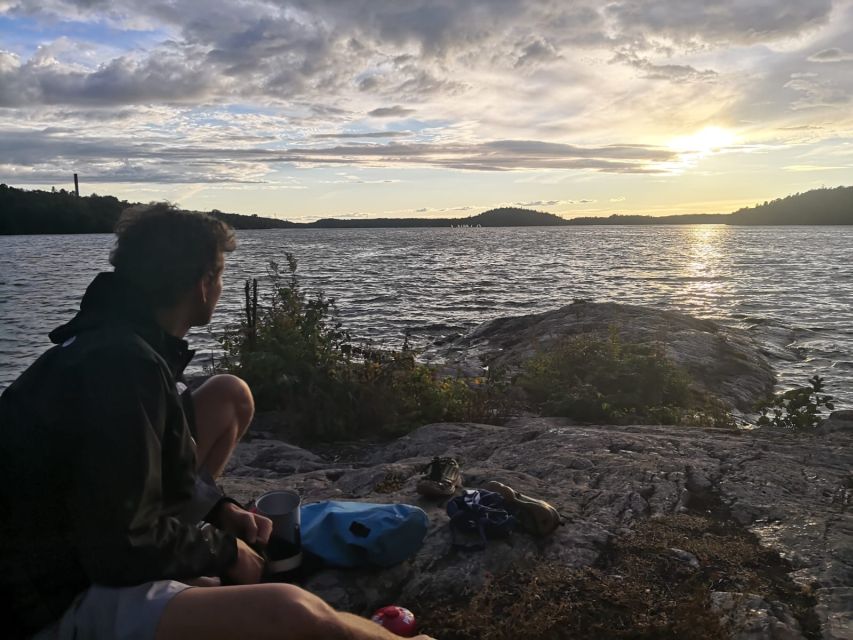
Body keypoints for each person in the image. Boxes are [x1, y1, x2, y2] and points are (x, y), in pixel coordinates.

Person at [0, 204, 435, 640]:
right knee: (291, 612)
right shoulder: (120, 367)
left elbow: (146, 463)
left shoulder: (121, 339)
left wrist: (219, 511)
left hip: (81, 540)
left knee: (228, 395)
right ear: (203, 284)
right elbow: (118, 546)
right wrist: (223, 553)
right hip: (54, 599)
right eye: (221, 275)